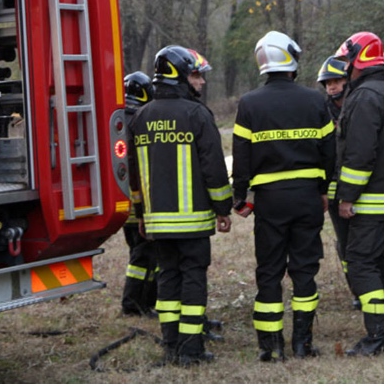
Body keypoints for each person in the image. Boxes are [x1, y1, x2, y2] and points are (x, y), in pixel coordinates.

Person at [231, 31, 335, 361]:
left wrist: (239, 198)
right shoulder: (316, 100)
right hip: (307, 198)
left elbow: (241, 155)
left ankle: (270, 348)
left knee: (270, 271)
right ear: (290, 60)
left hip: (270, 201)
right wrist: (323, 190)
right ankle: (303, 343)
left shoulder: (249, 103)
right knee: (305, 270)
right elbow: (329, 152)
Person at [127, 46, 232, 366]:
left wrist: (141, 215)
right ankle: (191, 350)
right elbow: (214, 168)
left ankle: (171, 345)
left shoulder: (140, 117)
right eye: (196, 75)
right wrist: (223, 207)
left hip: (157, 223)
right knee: (193, 282)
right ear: (178, 76)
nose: (200, 82)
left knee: (168, 280)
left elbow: (134, 174)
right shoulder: (198, 115)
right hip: (193, 222)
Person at [332, 31, 384, 357]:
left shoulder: (365, 97)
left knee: (362, 263)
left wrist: (347, 196)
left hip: (372, 201)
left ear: (359, 61)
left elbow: (360, 155)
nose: (345, 70)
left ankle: (378, 335)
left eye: (347, 62)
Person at [317, 54, 361, 311]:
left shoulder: (361, 105)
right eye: (327, 83)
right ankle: (356, 288)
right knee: (345, 243)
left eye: (336, 81)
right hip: (334, 190)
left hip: (364, 188)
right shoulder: (322, 112)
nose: (332, 87)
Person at [120, 71, 157, 317]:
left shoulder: (120, 118)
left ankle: (142, 301)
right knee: (143, 256)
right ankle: (133, 303)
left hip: (126, 203)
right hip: (139, 203)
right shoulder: (139, 120)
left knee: (142, 254)